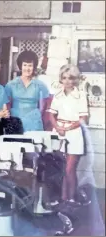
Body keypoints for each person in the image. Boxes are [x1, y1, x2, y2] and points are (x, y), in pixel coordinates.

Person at [48, 64, 89, 207]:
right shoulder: (57, 95)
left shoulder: (81, 95)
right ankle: (62, 197)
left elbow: (83, 118)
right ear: (61, 79)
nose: (67, 81)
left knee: (69, 169)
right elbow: (51, 115)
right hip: (59, 131)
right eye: (64, 78)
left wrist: (69, 127)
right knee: (59, 168)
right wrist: (57, 127)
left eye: (70, 78)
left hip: (74, 132)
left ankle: (71, 197)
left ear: (75, 80)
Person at [5, 50, 50, 132]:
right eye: (25, 65)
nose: (27, 68)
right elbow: (7, 106)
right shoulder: (10, 85)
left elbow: (42, 109)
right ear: (20, 66)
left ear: (34, 67)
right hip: (15, 121)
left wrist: (34, 118)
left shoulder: (41, 85)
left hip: (34, 122)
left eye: (30, 65)